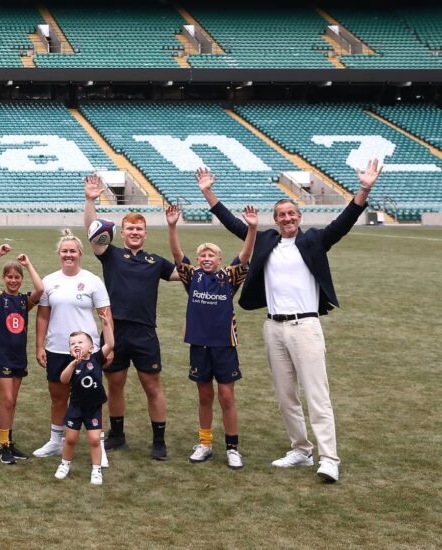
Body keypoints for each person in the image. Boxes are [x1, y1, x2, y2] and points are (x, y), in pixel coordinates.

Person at [196, 159, 382, 483]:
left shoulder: (313, 241)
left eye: (291, 214)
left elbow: (345, 221)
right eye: (281, 215)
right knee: (285, 396)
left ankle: (329, 458)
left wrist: (364, 188)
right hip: (274, 328)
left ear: (300, 217)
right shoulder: (266, 241)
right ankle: (301, 449)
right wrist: (209, 194)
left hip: (305, 326)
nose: (287, 219)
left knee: (316, 394)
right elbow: (234, 226)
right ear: (276, 219)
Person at [84, 174, 177, 460]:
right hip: (114, 331)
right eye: (130, 229)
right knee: (115, 383)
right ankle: (118, 435)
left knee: (152, 385)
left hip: (145, 333)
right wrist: (90, 201)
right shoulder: (110, 255)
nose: (135, 232)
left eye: (139, 229)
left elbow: (182, 275)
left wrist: (173, 229)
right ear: (122, 233)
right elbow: (92, 231)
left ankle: (159, 440)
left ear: (146, 234)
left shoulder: (156, 262)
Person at [166, 202, 257, 470]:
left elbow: (245, 255)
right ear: (198, 260)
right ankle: (204, 444)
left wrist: (252, 229)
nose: (206, 258)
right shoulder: (191, 277)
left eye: (211, 255)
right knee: (204, 396)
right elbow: (175, 253)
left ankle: (232, 447)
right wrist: (172, 226)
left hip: (225, 346)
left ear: (219, 260)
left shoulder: (228, 277)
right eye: (202, 255)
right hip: (199, 346)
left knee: (226, 397)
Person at [34, 230, 115, 462]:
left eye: (72, 251)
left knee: (92, 397)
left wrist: (109, 347)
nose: (68, 255)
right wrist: (40, 346)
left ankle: (97, 445)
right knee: (58, 397)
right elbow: (42, 317)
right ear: (59, 254)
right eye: (64, 251)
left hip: (89, 353)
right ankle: (55, 441)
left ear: (80, 253)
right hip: (57, 349)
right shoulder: (49, 281)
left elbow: (106, 316)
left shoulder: (92, 281)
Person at [0, 245, 44, 465]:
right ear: (4, 278)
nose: (13, 280)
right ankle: (1, 446)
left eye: (17, 277)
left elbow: (40, 289)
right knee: (7, 400)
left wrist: (28, 265)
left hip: (19, 357)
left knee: (13, 402)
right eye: (9, 277)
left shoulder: (23, 301)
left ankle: (8, 442)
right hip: (1, 356)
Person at [54, 331, 112, 486]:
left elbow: (111, 344)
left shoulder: (97, 359)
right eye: (73, 344)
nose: (76, 345)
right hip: (76, 408)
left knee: (94, 440)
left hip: (93, 408)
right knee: (71, 439)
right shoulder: (71, 364)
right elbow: (63, 380)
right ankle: (65, 464)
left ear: (91, 348)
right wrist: (74, 363)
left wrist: (107, 326)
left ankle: (96, 469)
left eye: (80, 342)